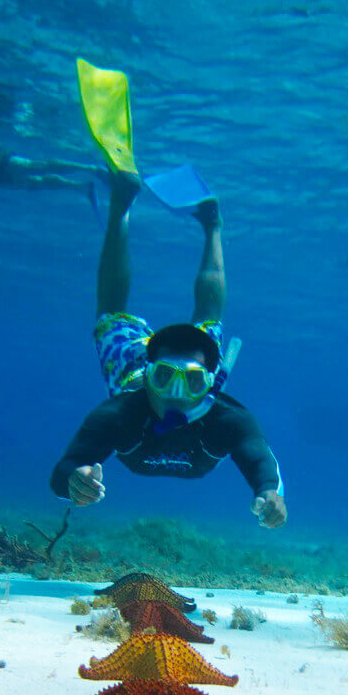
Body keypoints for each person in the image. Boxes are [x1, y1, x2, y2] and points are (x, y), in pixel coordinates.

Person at [49, 173, 287, 529]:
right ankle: (123, 205)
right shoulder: (118, 414)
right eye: (163, 377)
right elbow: (63, 472)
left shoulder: (230, 420)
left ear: (208, 383)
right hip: (130, 367)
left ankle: (210, 224)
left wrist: (272, 496)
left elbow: (263, 467)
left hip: (141, 372)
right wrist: (74, 482)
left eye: (191, 382)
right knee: (198, 316)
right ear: (149, 376)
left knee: (125, 314)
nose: (176, 395)